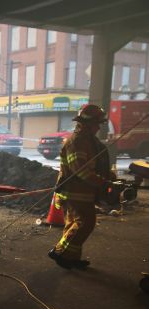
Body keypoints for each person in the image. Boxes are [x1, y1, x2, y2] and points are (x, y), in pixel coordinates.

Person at [48, 104, 113, 270]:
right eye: (97, 123)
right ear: (88, 123)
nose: (99, 127)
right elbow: (81, 171)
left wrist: (107, 176)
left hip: (81, 191)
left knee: (74, 223)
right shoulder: (78, 142)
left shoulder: (88, 140)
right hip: (75, 192)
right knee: (86, 222)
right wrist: (102, 182)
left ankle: (70, 257)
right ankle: (60, 252)